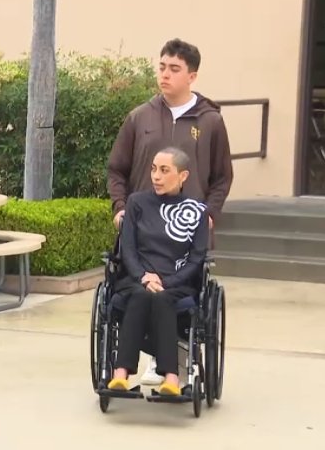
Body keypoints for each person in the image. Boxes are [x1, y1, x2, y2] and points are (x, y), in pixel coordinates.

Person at [106, 38, 233, 385]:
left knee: (178, 293)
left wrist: (210, 213)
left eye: (174, 69)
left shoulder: (210, 122)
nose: (165, 74)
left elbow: (222, 177)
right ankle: (148, 362)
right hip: (144, 229)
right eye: (162, 66)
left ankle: (175, 364)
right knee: (137, 286)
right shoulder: (140, 117)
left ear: (192, 76)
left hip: (185, 235)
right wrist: (120, 207)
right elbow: (117, 169)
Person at [107, 147, 208, 397]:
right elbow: (127, 248)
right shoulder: (137, 203)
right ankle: (121, 375)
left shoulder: (197, 211)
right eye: (153, 169)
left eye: (164, 170)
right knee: (141, 294)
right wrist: (143, 276)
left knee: (162, 297)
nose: (156, 176)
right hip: (135, 278)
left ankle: (171, 379)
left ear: (183, 176)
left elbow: (196, 259)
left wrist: (166, 280)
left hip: (176, 283)